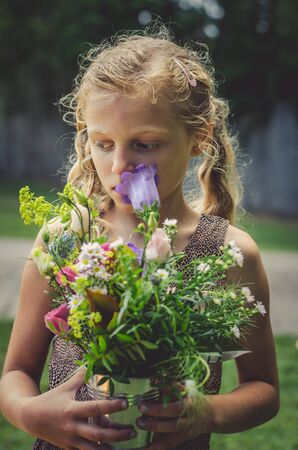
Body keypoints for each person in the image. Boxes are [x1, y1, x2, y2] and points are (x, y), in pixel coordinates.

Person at [0, 23, 279, 450]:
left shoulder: (229, 252)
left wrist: (207, 412)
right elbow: (16, 372)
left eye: (146, 144)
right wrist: (29, 411)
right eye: (104, 143)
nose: (120, 167)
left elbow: (263, 389)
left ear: (199, 137)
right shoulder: (65, 239)